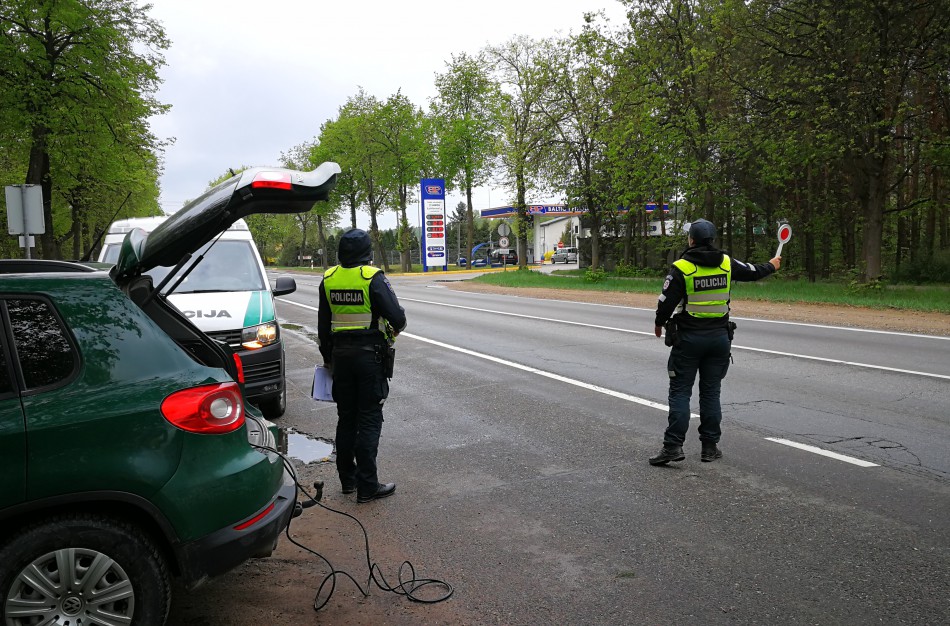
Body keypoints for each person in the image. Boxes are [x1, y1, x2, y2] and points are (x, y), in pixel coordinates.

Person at [649, 219, 781, 465]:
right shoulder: (726, 262)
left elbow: (666, 301)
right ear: (712, 239)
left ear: (691, 240)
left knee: (680, 392)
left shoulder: (682, 267)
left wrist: (659, 322)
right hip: (719, 338)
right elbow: (753, 272)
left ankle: (673, 447)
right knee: (710, 393)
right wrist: (772, 265)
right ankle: (710, 447)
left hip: (688, 339)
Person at [318, 229, 407, 502]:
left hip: (341, 359)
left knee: (346, 419)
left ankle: (348, 481)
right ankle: (368, 486)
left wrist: (328, 358)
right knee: (369, 419)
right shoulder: (372, 278)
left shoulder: (329, 279)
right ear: (367, 254)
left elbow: (323, 326)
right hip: (370, 358)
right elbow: (398, 319)